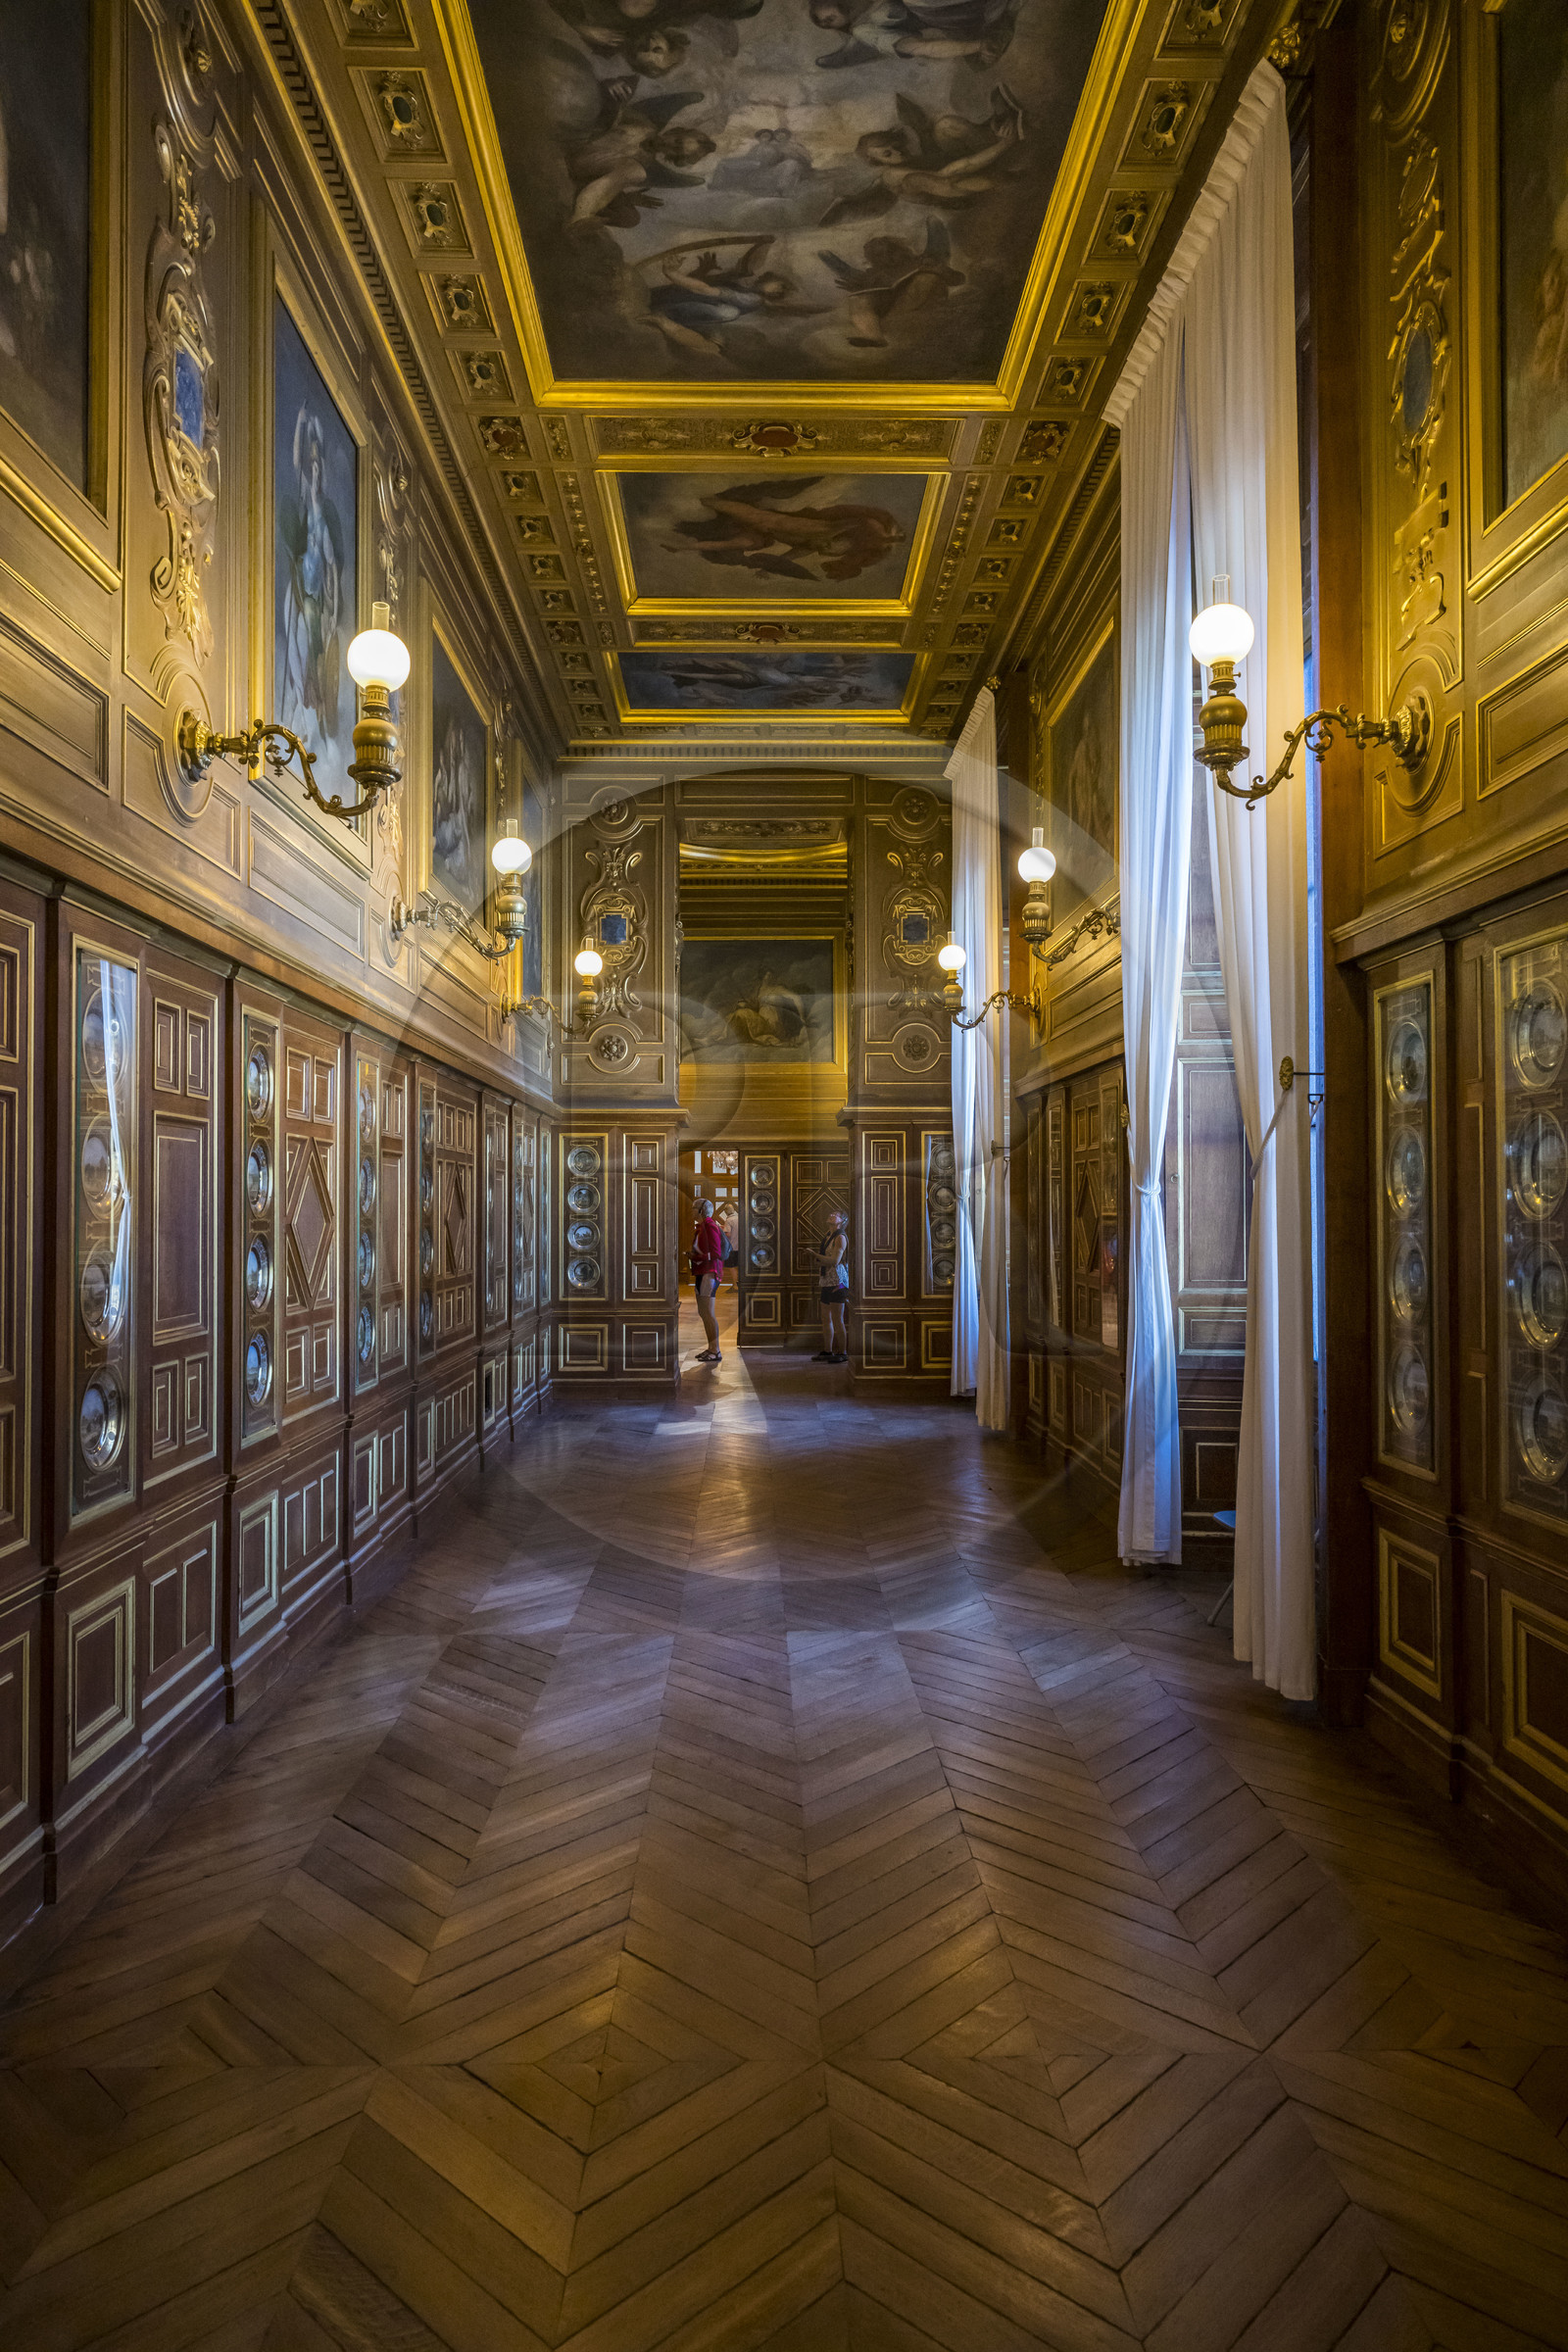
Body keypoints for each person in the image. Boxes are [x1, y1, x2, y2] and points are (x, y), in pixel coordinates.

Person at [691, 1194, 725, 1362]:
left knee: (709, 1313)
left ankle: (716, 1350)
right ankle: (710, 1348)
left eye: (694, 1208)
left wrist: (695, 1257)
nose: (692, 1210)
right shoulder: (701, 1226)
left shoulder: (710, 1226)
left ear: (702, 1210)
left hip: (710, 1272)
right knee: (703, 1312)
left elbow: (716, 1253)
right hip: (701, 1271)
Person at [814, 1207, 849, 1363]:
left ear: (842, 1222)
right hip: (827, 1280)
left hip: (838, 1282)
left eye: (836, 1215)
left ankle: (842, 1352)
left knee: (837, 1319)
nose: (832, 1215)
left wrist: (815, 1256)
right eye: (831, 1213)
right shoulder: (828, 1235)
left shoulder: (840, 1237)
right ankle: (828, 1351)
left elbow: (835, 1261)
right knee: (825, 1317)